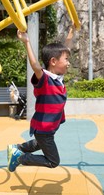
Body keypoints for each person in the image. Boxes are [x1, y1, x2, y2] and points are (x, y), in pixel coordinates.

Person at [7, 25, 75, 172]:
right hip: (44, 128)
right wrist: (26, 41)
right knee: (53, 161)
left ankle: (17, 148)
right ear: (53, 61)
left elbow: (65, 49)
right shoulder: (45, 79)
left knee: (39, 143)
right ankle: (19, 157)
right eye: (66, 59)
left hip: (49, 128)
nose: (69, 62)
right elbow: (35, 65)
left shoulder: (57, 78)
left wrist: (71, 33)